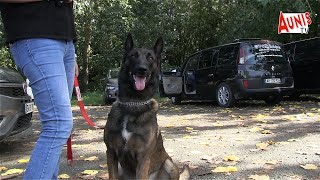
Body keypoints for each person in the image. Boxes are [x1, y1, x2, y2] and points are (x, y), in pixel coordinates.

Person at [0, 0, 77, 179]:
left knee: (57, 128)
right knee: (58, 125)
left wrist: (71, 52)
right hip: (35, 37)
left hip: (64, 41)